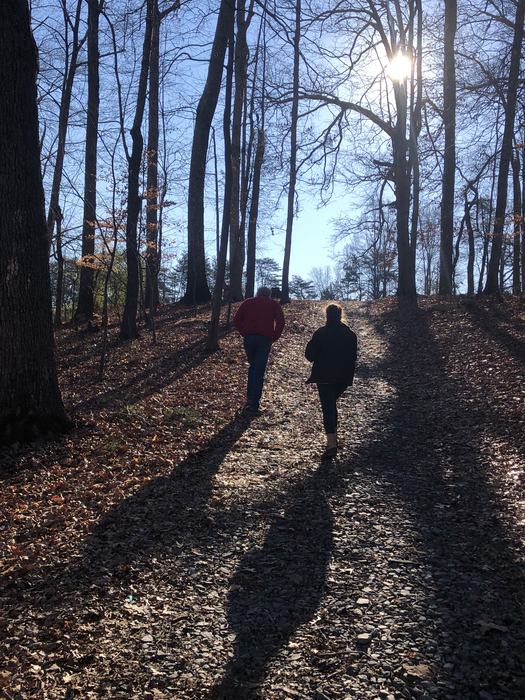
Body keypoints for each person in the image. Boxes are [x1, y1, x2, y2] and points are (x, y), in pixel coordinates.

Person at [305, 303, 357, 458]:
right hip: (342, 377)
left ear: (326, 315)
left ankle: (331, 444)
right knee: (330, 404)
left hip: (324, 376)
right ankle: (333, 439)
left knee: (328, 407)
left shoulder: (321, 333)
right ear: (340, 315)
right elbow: (353, 357)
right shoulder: (350, 334)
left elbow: (309, 356)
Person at [234, 286, 285, 414]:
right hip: (265, 339)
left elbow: (236, 319)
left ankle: (250, 400)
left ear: (258, 293)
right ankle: (253, 403)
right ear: (269, 294)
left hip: (249, 339)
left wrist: (244, 332)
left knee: (253, 367)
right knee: (259, 370)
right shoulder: (273, 304)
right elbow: (281, 322)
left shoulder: (248, 302)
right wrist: (274, 337)